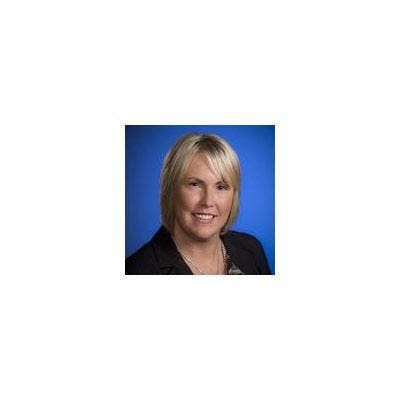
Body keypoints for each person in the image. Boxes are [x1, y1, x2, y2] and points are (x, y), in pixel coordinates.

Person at [125, 133, 271, 275]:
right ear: (170, 190)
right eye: (194, 184)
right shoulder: (136, 271)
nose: (208, 201)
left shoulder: (251, 249)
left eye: (221, 187)